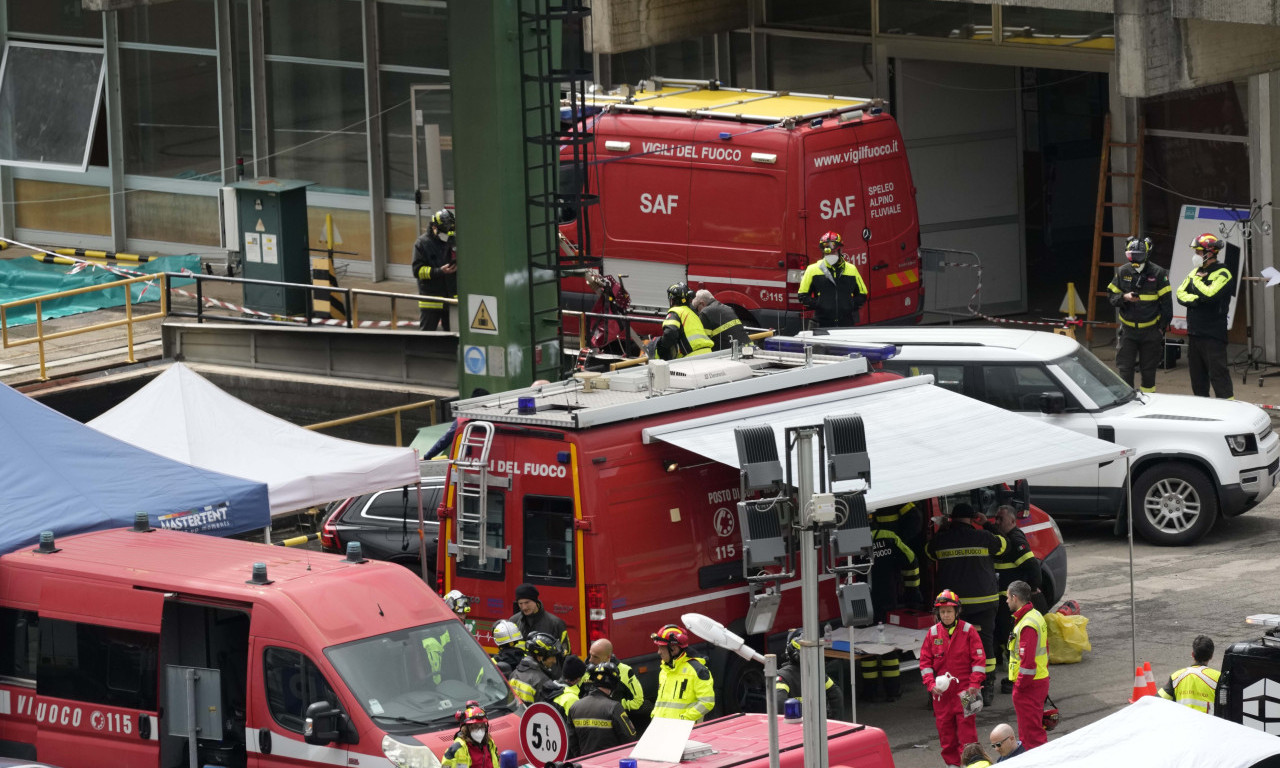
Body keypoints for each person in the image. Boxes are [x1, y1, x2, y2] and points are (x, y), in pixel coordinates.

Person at [926, 503, 1007, 706]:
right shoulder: (984, 537)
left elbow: (928, 552)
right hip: (983, 603)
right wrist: (986, 524)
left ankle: (949, 690)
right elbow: (1005, 545)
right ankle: (986, 688)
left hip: (953, 607)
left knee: (951, 647)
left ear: (951, 519)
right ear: (972, 519)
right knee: (984, 645)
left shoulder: (942, 539)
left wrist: (943, 528)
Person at [919, 590, 986, 768]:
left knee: (968, 734)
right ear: (938, 613)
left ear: (957, 612)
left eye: (949, 611)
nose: (946, 615)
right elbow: (925, 663)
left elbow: (979, 660)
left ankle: (971, 764)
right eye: (942, 612)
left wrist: (974, 684)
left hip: (967, 691)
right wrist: (930, 685)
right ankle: (952, 764)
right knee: (946, 734)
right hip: (941, 694)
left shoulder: (968, 630)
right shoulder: (933, 633)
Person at [860, 510, 922, 702]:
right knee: (889, 644)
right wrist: (912, 589)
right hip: (888, 599)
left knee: (867, 646)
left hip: (862, 602)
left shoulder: (853, 542)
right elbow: (911, 560)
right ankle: (892, 691)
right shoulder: (890, 537)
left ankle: (870, 693)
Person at [986, 505, 1042, 693]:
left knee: (1012, 641)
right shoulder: (1004, 538)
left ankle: (1016, 680)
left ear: (1012, 521)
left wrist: (1031, 589)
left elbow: (1033, 567)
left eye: (1000, 519)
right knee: (1004, 637)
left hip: (1012, 601)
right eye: (995, 518)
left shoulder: (1016, 539)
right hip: (1004, 599)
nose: (997, 522)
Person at [1108, 236, 1172, 393]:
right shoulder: (1123, 271)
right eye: (1131, 255)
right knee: (1125, 368)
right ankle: (1128, 399)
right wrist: (1124, 297)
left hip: (1150, 331)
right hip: (1128, 331)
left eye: (1138, 255)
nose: (1134, 259)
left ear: (1147, 254)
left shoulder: (1158, 273)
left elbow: (1167, 305)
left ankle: (1149, 398)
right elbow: (1111, 296)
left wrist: (1160, 329)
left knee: (1148, 370)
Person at [1176, 233, 1235, 399]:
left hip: (1213, 335)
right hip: (1195, 333)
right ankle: (1203, 409)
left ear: (1210, 253)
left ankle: (1229, 409)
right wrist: (1196, 300)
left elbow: (1210, 295)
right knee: (1198, 379)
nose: (1195, 255)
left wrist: (1196, 282)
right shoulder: (1196, 272)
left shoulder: (1223, 273)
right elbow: (1180, 293)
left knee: (1219, 377)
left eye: (1198, 252)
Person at [1005, 579, 1050, 750]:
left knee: (1031, 735)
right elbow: (1045, 649)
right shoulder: (1034, 615)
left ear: (1015, 598)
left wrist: (1019, 687)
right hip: (1037, 680)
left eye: (1008, 597)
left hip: (1029, 685)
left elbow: (1028, 663)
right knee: (1033, 730)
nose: (1006, 601)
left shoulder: (1027, 624)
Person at [797, 231, 867, 328]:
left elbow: (862, 295)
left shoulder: (851, 269)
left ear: (840, 250)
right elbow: (802, 296)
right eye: (827, 254)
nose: (830, 256)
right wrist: (820, 304)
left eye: (833, 252)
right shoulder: (812, 270)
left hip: (846, 324)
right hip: (821, 324)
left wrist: (848, 305)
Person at [569, 662, 638, 755]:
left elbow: (572, 741)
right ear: (614, 683)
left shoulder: (574, 707)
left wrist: (581, 759)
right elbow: (630, 738)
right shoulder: (614, 707)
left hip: (585, 761)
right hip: (610, 760)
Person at [775, 628, 845, 717]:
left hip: (795, 723)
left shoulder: (783, 677)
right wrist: (831, 718)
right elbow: (836, 695)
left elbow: (779, 704)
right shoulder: (817, 673)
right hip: (817, 722)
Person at [651, 624, 715, 721]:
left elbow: (707, 702)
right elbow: (662, 701)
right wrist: (655, 717)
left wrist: (684, 719)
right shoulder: (665, 670)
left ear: (674, 648)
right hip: (662, 726)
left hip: (685, 728)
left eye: (661, 648)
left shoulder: (697, 670)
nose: (659, 652)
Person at [413, 208, 457, 332]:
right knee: (427, 337)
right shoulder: (422, 243)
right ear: (434, 227)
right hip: (431, 301)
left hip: (451, 300)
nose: (448, 235)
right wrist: (439, 271)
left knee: (453, 336)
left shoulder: (453, 241)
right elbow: (417, 271)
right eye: (445, 231)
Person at [1159, 634, 1220, 714]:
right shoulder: (1218, 678)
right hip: (1207, 721)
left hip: (1183, 721)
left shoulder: (1176, 677)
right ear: (1211, 656)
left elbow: (1158, 700)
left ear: (1192, 654)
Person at [587, 638, 645, 716]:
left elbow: (637, 701)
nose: (590, 660)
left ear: (608, 657)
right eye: (590, 655)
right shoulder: (586, 670)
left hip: (613, 717)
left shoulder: (625, 671)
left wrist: (615, 705)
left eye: (595, 657)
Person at [654, 283, 713, 360]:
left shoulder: (675, 312)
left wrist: (661, 349)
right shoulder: (693, 313)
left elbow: (670, 332)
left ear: (672, 300)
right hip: (708, 354)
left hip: (692, 358)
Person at [509, 583, 570, 654]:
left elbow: (566, 654)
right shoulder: (513, 621)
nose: (524, 607)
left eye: (527, 602)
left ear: (535, 601)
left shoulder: (556, 624)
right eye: (520, 604)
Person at [440, 701, 499, 768]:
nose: (479, 730)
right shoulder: (457, 748)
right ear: (465, 729)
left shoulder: (490, 743)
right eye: (475, 727)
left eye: (482, 726)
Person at [508, 631, 561, 704]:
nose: (554, 661)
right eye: (552, 656)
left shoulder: (514, 674)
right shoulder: (542, 682)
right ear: (540, 657)